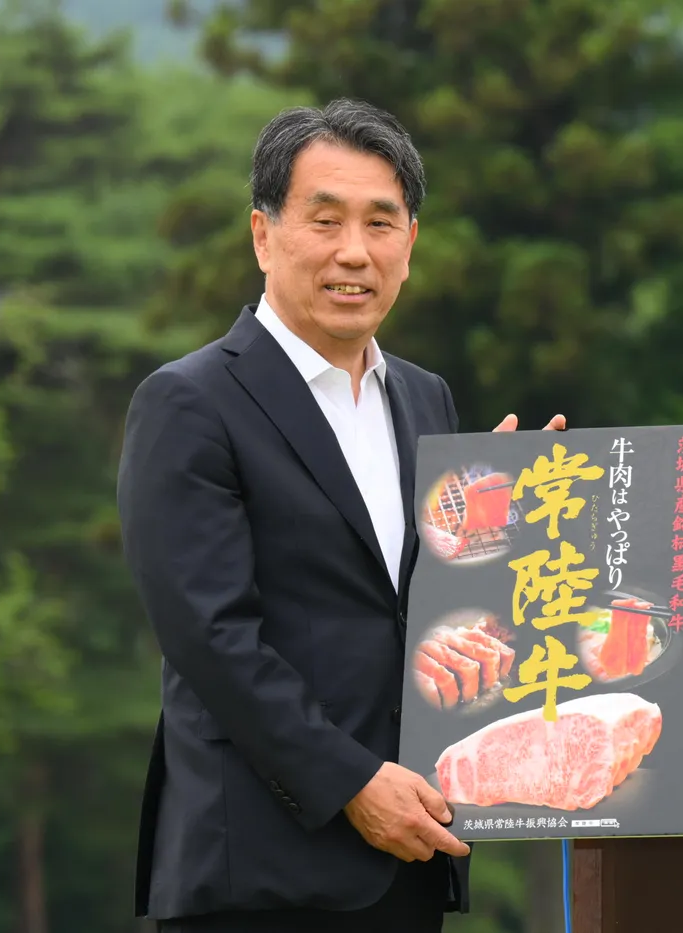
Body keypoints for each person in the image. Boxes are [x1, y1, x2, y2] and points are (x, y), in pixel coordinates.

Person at [116, 98, 563, 933]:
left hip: (408, 857)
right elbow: (210, 636)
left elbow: (420, 611)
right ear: (263, 235)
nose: (354, 251)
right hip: (258, 872)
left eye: (380, 223)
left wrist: (509, 524)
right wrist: (351, 782)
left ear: (410, 244)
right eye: (325, 221)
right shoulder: (190, 402)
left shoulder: (424, 398)